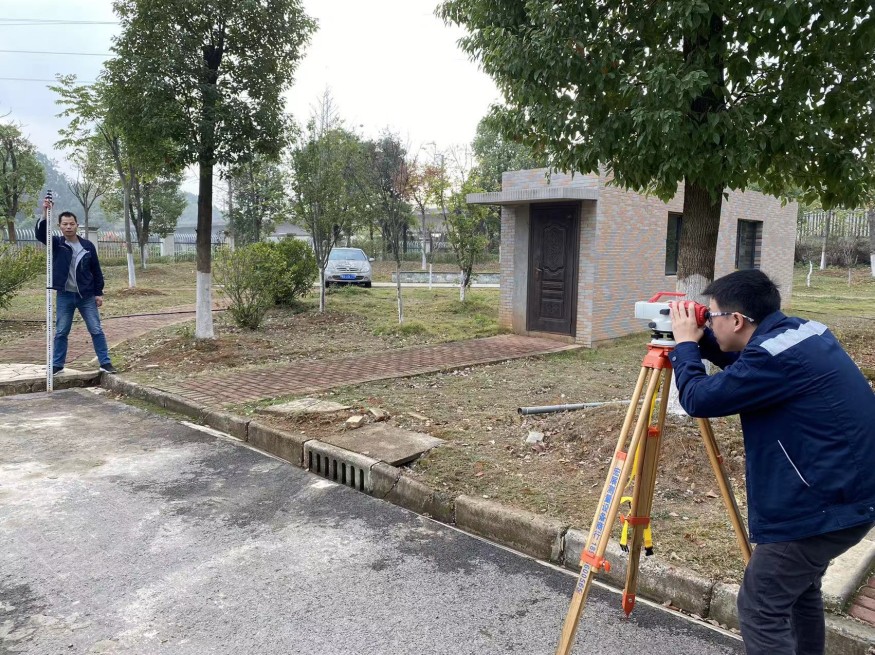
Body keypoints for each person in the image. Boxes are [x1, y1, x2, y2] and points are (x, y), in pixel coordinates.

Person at [668, 269, 875, 655]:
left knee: (760, 607)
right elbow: (747, 365)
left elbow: (699, 398)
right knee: (798, 592)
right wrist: (700, 340)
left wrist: (684, 347)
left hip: (822, 507)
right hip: (848, 493)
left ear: (736, 320)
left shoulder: (771, 359)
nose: (708, 323)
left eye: (711, 316)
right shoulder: (801, 332)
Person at [37, 198, 117, 375]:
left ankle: (105, 363)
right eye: (65, 224)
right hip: (65, 295)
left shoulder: (87, 246)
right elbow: (41, 235)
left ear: (77, 225)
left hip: (86, 296)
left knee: (96, 329)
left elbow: (96, 270)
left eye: (71, 224)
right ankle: (57, 364)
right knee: (61, 331)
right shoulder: (57, 244)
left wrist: (98, 293)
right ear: (60, 226)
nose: (68, 227)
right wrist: (45, 212)